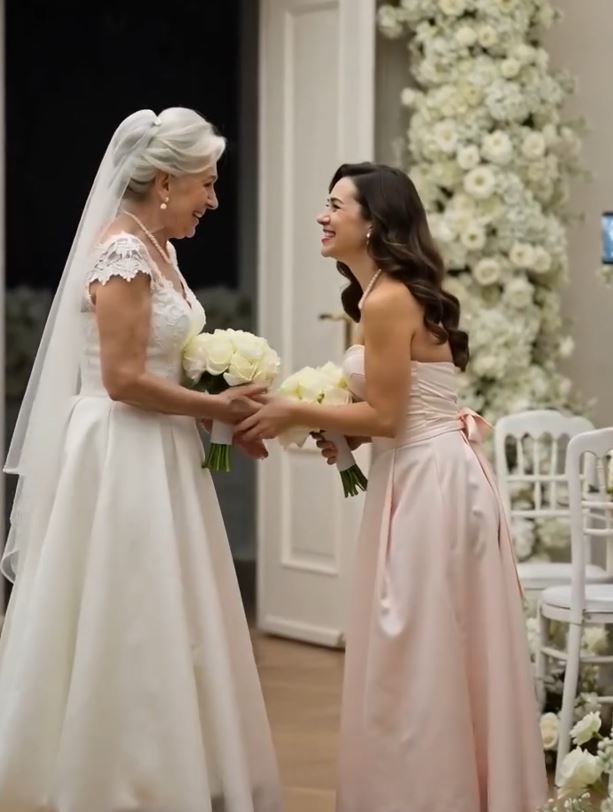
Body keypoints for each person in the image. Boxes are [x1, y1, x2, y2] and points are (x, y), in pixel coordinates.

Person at [237, 162, 548, 812]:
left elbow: (384, 416)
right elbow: (393, 413)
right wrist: (342, 431)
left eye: (335, 205)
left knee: (417, 649)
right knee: (432, 646)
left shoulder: (385, 300)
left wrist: (293, 410)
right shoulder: (381, 293)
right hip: (429, 470)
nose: (322, 216)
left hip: (429, 482)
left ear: (374, 223)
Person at [0, 107, 281, 812]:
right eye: (206, 183)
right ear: (164, 182)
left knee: (168, 605)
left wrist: (217, 405)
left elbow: (160, 366)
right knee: (122, 604)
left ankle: (173, 762)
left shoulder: (159, 250)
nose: (212, 200)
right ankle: (115, 778)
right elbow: (122, 379)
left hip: (162, 445)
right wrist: (217, 407)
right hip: (120, 448)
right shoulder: (122, 253)